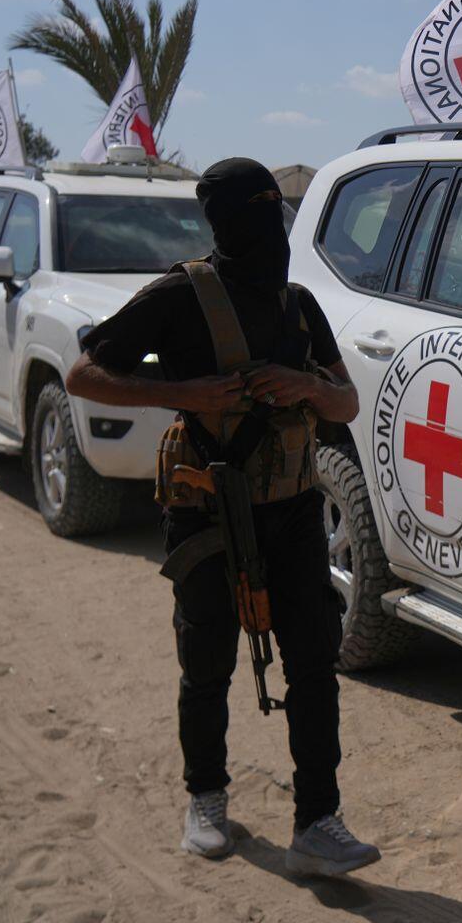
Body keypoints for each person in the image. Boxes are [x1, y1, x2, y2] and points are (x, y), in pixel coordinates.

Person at [63, 157, 379, 876]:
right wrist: (187, 393)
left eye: (275, 210)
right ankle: (205, 797)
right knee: (206, 660)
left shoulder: (298, 305)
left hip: (293, 507)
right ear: (224, 222)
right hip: (206, 505)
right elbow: (85, 373)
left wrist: (304, 384)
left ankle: (317, 822)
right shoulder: (181, 294)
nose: (270, 229)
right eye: (254, 212)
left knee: (314, 662)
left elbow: (346, 401)